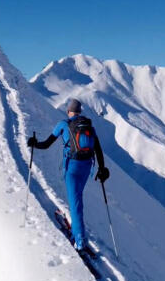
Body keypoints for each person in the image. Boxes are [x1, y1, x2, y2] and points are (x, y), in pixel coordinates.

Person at [27, 98, 109, 251]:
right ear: (79, 112)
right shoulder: (89, 126)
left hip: (72, 167)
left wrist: (33, 143)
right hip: (87, 167)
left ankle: (79, 241)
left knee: (75, 203)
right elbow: (98, 149)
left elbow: (46, 145)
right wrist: (102, 168)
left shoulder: (63, 125)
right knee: (77, 198)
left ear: (68, 111)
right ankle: (78, 230)